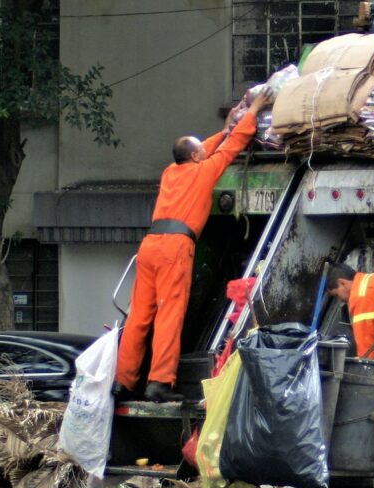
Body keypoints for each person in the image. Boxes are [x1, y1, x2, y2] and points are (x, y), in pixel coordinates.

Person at [114, 92, 272, 402]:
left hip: (149, 246)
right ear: (198, 156)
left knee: (139, 317)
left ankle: (123, 380)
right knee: (169, 314)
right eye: (202, 149)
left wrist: (224, 129)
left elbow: (208, 147)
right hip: (175, 247)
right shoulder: (204, 171)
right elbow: (235, 144)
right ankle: (159, 383)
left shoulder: (170, 172)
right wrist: (253, 110)